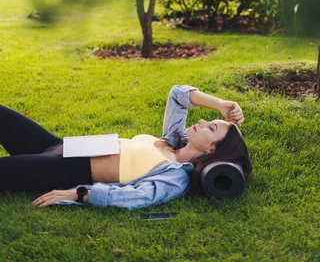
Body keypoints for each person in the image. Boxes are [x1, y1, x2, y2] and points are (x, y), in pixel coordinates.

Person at [0, 85, 252, 209]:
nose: (202, 121)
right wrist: (220, 104)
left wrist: (77, 193)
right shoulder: (174, 139)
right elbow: (178, 94)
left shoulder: (176, 175)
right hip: (60, 145)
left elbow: (136, 197)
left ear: (211, 151)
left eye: (211, 128)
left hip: (62, 169)